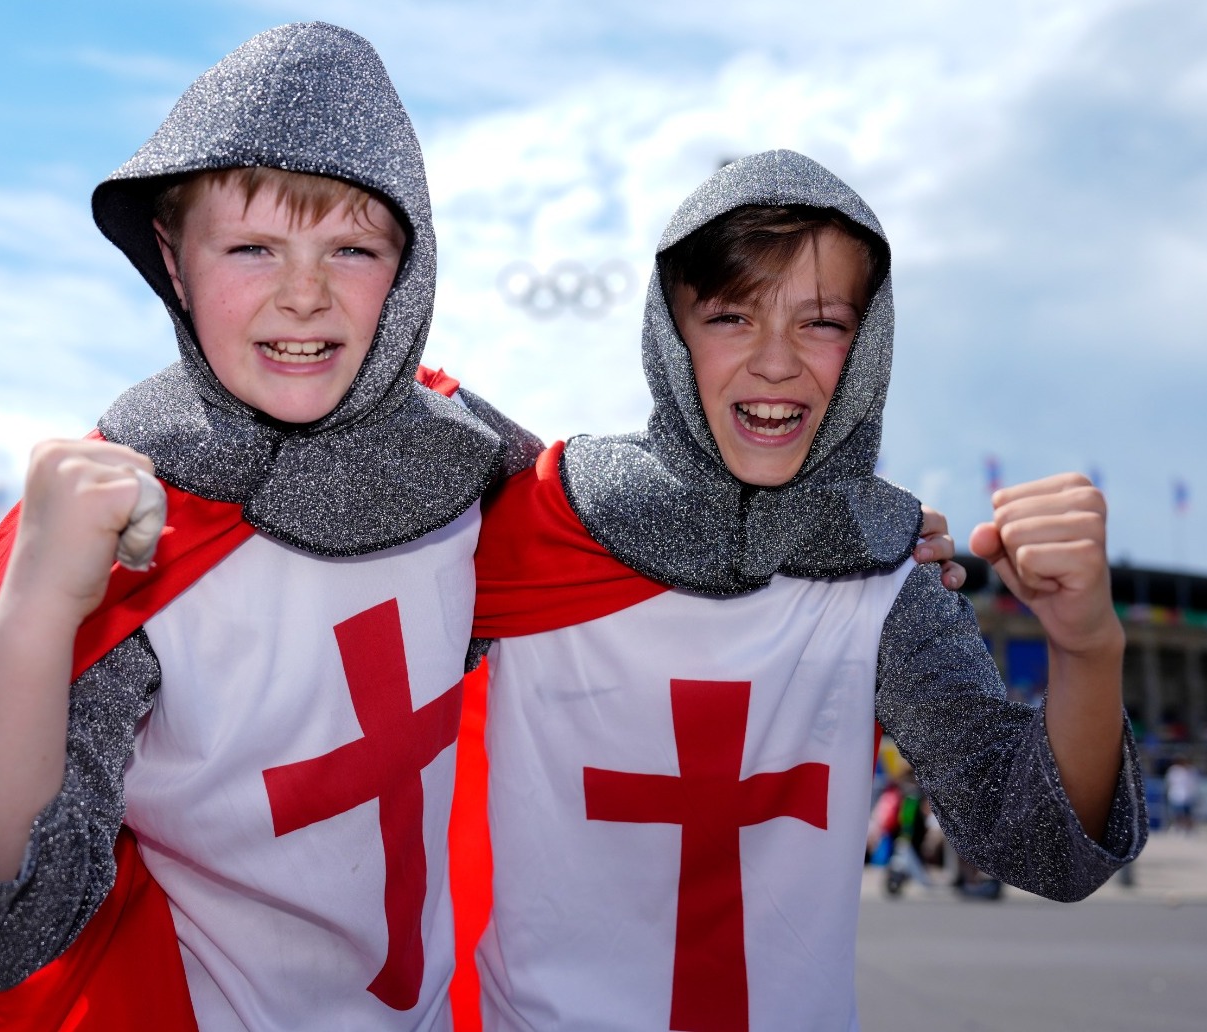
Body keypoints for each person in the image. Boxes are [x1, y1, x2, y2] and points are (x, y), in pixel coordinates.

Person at [0, 22, 551, 1032]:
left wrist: (851, 533)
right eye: (253, 246)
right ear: (172, 256)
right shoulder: (129, 515)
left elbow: (646, 551)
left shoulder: (471, 465)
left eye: (351, 247)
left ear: (409, 265)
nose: (304, 291)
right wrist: (37, 607)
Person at [467, 150, 1147, 1029]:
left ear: (865, 348)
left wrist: (1087, 646)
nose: (777, 361)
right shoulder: (541, 525)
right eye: (730, 317)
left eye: (821, 322)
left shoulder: (886, 578)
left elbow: (1046, 846)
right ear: (670, 333)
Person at [1164, 753, 1199, 833]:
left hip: (1188, 795)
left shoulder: (1191, 770)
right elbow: (1170, 782)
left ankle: (1189, 829)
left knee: (1188, 814)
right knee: (1177, 813)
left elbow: (1194, 783)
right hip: (1176, 794)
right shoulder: (1174, 770)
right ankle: (1177, 828)